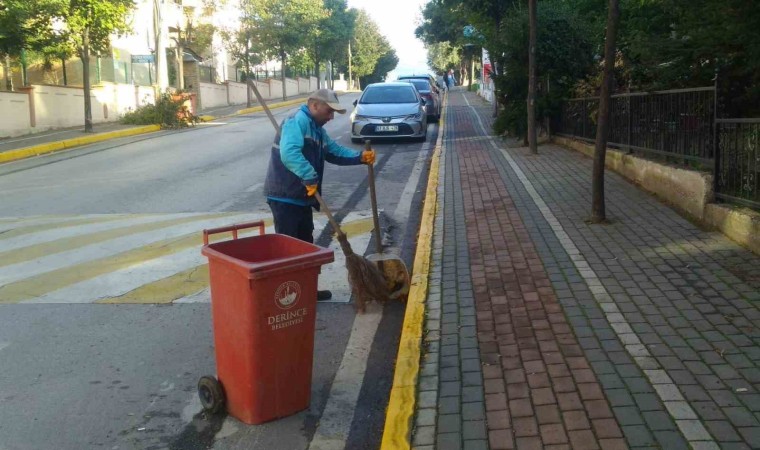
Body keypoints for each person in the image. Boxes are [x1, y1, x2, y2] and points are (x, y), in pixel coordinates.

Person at [263, 88, 375, 301]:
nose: (331, 117)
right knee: (289, 247)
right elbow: (290, 153)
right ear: (314, 105)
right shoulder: (297, 121)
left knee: (305, 245)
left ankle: (306, 291)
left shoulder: (316, 128)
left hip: (303, 197)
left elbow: (332, 151)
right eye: (328, 111)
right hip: (285, 196)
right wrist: (309, 176)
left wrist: (360, 157)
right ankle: (287, 297)